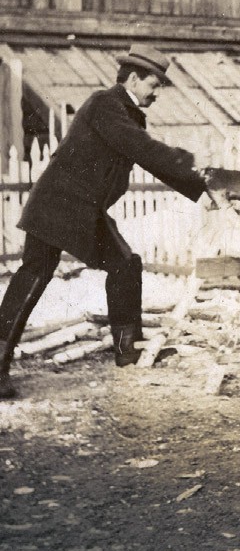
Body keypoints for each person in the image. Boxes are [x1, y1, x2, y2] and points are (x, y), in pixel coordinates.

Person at [0, 44, 208, 399]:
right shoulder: (105, 104)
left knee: (125, 265)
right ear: (133, 79)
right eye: (153, 85)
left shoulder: (124, 112)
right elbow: (142, 148)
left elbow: (146, 156)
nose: (156, 94)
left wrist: (200, 185)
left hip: (83, 209)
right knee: (35, 275)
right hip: (58, 206)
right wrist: (192, 165)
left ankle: (128, 350)